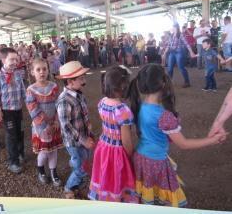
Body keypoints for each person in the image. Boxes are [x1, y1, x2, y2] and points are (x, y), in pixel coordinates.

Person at [127, 64, 226, 207]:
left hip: (141, 158)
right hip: (156, 163)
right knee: (166, 199)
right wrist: (212, 140)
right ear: (162, 83)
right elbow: (183, 144)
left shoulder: (140, 105)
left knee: (148, 194)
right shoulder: (163, 116)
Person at [88, 66, 138, 203]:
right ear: (123, 86)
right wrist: (131, 155)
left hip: (104, 146)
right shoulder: (123, 111)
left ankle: (106, 198)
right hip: (117, 152)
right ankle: (117, 201)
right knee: (117, 177)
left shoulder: (102, 102)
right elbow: (126, 141)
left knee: (106, 175)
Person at [56, 61, 95, 199]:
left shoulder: (78, 94)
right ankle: (69, 187)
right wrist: (83, 139)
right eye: (81, 78)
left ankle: (75, 162)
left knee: (83, 159)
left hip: (82, 137)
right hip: (73, 141)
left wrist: (88, 129)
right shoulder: (64, 100)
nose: (84, 80)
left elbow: (83, 115)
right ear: (70, 82)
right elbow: (66, 125)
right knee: (81, 168)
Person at [26, 58, 63, 186]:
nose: (42, 72)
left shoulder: (53, 86)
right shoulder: (31, 90)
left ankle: (53, 172)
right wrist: (46, 125)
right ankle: (41, 170)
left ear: (48, 70)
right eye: (38, 69)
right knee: (44, 151)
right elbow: (33, 109)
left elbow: (59, 104)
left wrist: (57, 120)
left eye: (44, 69)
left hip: (55, 124)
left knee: (54, 150)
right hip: (41, 126)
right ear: (32, 72)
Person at [0, 48, 26, 174]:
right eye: (11, 59)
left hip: (19, 110)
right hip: (7, 112)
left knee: (21, 132)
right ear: (3, 60)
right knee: (11, 136)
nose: (14, 62)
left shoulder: (18, 74)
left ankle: (20, 153)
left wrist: (29, 104)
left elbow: (23, 91)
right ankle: (13, 161)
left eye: (16, 59)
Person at [164, 23, 195, 88]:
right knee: (169, 68)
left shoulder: (180, 35)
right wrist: (164, 53)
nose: (172, 28)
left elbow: (187, 44)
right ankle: (169, 82)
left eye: (173, 27)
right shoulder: (171, 36)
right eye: (172, 27)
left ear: (177, 28)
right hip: (172, 52)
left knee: (181, 68)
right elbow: (168, 46)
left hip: (179, 52)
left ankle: (187, 82)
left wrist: (191, 52)